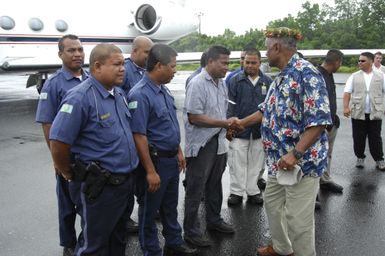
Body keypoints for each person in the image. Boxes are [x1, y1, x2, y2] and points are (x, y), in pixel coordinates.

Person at [230, 27, 332, 256]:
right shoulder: (283, 75)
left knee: (298, 219)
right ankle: (281, 247)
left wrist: (295, 153)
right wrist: (240, 124)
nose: (266, 53)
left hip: (300, 163)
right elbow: (265, 111)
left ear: (277, 47)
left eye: (267, 48)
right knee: (273, 205)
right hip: (278, 161)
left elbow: (320, 121)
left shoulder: (307, 74)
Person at [49, 44, 138, 255]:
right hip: (100, 188)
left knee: (118, 239)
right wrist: (67, 172)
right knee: (94, 246)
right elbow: (58, 142)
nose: (122, 69)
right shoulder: (79, 97)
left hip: (124, 184)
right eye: (116, 64)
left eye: (123, 64)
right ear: (97, 66)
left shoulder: (118, 94)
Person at [127, 44, 197, 256]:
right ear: (159, 66)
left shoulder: (163, 90)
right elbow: (139, 136)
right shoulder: (139, 95)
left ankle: (174, 242)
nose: (175, 70)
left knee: (170, 206)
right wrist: (149, 171)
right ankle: (151, 250)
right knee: (149, 211)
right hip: (155, 163)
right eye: (173, 66)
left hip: (170, 160)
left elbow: (167, 125)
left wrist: (178, 151)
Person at [35, 34, 88, 256]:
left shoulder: (89, 78)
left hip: (88, 156)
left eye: (79, 50)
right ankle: (69, 244)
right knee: (67, 206)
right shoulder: (54, 84)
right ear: (60, 54)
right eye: (71, 50)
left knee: (88, 206)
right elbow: (48, 124)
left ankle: (88, 243)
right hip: (68, 156)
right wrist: (57, 160)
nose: (77, 54)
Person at [183, 45, 235, 248]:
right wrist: (225, 123)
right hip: (202, 144)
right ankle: (191, 231)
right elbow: (194, 117)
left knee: (215, 185)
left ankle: (213, 220)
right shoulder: (197, 83)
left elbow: (221, 112)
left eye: (228, 63)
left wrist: (227, 127)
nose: (227, 67)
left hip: (219, 142)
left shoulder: (221, 83)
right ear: (210, 61)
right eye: (223, 62)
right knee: (195, 189)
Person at [226, 48, 272, 206]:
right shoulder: (234, 81)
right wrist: (230, 127)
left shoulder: (267, 82)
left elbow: (270, 108)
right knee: (237, 162)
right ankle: (236, 192)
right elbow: (230, 106)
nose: (250, 65)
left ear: (260, 63)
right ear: (243, 62)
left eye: (254, 62)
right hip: (239, 131)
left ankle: (253, 191)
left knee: (256, 162)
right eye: (247, 62)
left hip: (259, 131)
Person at [121, 35, 153, 234]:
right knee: (129, 179)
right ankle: (125, 218)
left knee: (143, 176)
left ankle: (146, 209)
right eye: (147, 52)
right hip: (129, 133)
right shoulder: (124, 71)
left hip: (145, 132)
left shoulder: (146, 71)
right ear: (134, 52)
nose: (150, 56)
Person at [343, 52, 385, 171]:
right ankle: (360, 157)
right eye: (359, 61)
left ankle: (379, 159)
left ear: (371, 61)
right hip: (358, 113)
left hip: (375, 112)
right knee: (358, 137)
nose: (359, 63)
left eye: (363, 61)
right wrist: (346, 107)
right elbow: (347, 93)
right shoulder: (354, 76)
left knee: (375, 138)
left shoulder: (381, 76)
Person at [317, 49, 344, 193]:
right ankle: (311, 191)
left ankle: (325, 180)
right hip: (319, 125)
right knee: (315, 156)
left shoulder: (329, 74)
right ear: (337, 62)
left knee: (328, 154)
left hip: (331, 123)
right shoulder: (316, 75)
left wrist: (334, 117)